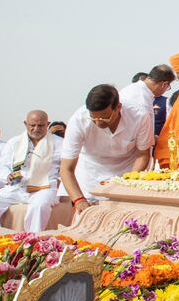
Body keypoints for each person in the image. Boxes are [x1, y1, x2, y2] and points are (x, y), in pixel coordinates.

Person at [60, 85, 153, 213]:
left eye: (105, 118)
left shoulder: (139, 116)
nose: (99, 123)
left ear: (118, 108)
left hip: (127, 173)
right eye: (94, 118)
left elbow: (143, 155)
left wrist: (127, 185)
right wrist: (79, 200)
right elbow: (66, 168)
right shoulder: (78, 120)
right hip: (90, 174)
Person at [0, 110, 63, 232]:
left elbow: (67, 169)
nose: (36, 129)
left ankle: (32, 243)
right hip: (16, 188)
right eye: (32, 125)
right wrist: (7, 176)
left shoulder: (59, 143)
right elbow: (2, 167)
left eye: (41, 125)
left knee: (39, 206)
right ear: (26, 124)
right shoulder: (14, 142)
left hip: (43, 189)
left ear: (48, 124)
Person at [120, 64, 175, 137]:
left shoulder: (128, 89)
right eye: (168, 87)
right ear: (164, 84)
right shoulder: (143, 102)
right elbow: (144, 140)